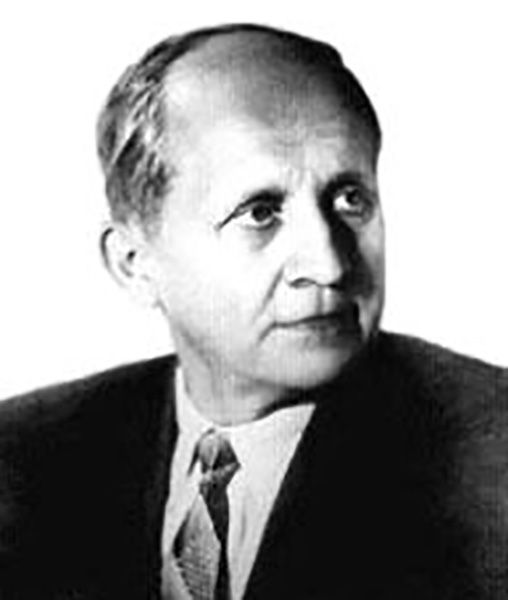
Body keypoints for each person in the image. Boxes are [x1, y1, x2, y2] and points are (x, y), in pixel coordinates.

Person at [0, 23, 507, 600]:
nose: (328, 263)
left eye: (350, 199)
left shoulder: (490, 459)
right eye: (260, 212)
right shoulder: (23, 457)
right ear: (134, 263)